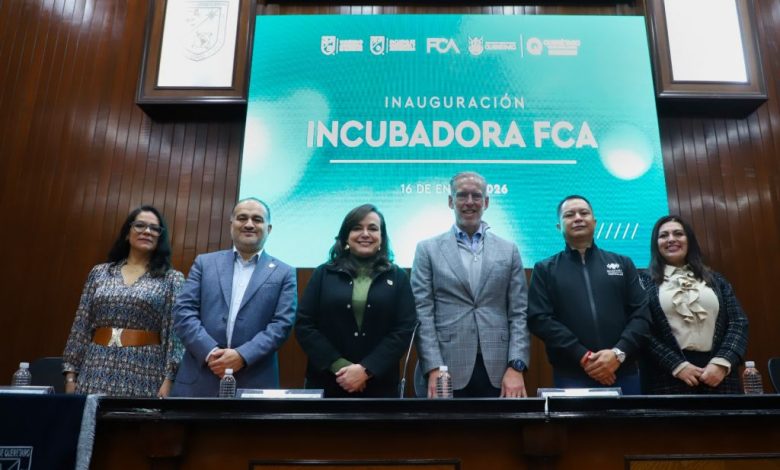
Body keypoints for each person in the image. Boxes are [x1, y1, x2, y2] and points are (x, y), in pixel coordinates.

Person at [411, 171, 530, 398]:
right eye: (461, 195)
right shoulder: (427, 250)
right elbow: (422, 313)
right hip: (446, 368)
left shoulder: (509, 250)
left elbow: (519, 313)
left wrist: (516, 365)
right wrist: (434, 366)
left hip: (500, 370)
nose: (469, 202)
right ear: (450, 201)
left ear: (486, 202)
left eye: (476, 196)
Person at [170, 198, 297, 397]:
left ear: (269, 228)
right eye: (242, 218)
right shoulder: (204, 263)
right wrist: (211, 353)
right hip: (199, 378)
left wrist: (242, 356)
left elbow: (282, 325)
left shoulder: (284, 272)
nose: (249, 224)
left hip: (254, 381)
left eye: (257, 219)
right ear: (232, 225)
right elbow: (183, 312)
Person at [527, 195, 650, 394]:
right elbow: (539, 319)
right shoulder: (545, 269)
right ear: (559, 226)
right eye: (569, 215)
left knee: (628, 417)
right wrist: (584, 357)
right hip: (572, 374)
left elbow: (642, 314)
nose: (578, 218)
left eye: (584, 213)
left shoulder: (623, 263)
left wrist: (617, 354)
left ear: (594, 222)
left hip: (623, 370)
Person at [62, 205, 184, 397]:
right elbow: (81, 325)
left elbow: (175, 335)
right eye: (140, 225)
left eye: (154, 228)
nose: (147, 231)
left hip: (145, 370)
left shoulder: (171, 279)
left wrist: (170, 379)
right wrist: (71, 376)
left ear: (160, 238)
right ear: (127, 233)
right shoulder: (99, 273)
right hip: (95, 368)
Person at [296, 204, 416, 397]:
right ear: (346, 236)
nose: (365, 234)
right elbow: (304, 325)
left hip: (380, 385)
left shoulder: (398, 276)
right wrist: (340, 367)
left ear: (382, 238)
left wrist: (366, 370)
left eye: (373, 228)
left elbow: (404, 329)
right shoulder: (323, 274)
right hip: (328, 381)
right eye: (357, 228)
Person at [638, 215, 748, 394]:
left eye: (678, 234)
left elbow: (738, 323)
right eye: (663, 235)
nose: (671, 239)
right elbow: (642, 330)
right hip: (667, 377)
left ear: (689, 240)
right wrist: (677, 365)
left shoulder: (716, 280)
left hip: (719, 377)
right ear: (655, 244)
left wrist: (722, 362)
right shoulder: (642, 282)